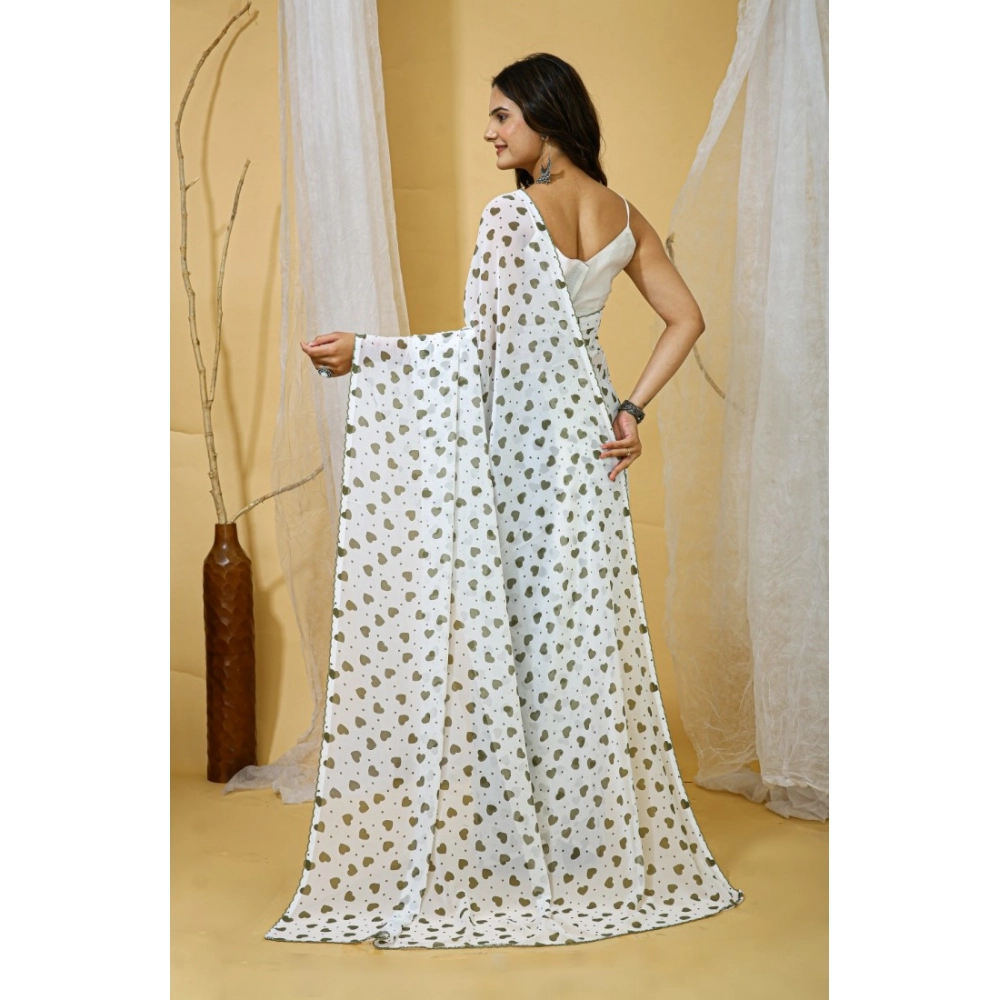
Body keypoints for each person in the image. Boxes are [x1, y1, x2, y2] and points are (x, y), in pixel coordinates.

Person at [271, 52, 743, 949]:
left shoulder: (511, 216)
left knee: (506, 636)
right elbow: (687, 317)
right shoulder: (624, 215)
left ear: (543, 116)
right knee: (575, 640)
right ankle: (579, 843)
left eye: (501, 116)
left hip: (519, 452)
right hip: (587, 449)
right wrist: (632, 410)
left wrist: (369, 354)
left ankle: (514, 849)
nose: (488, 132)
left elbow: (478, 355)